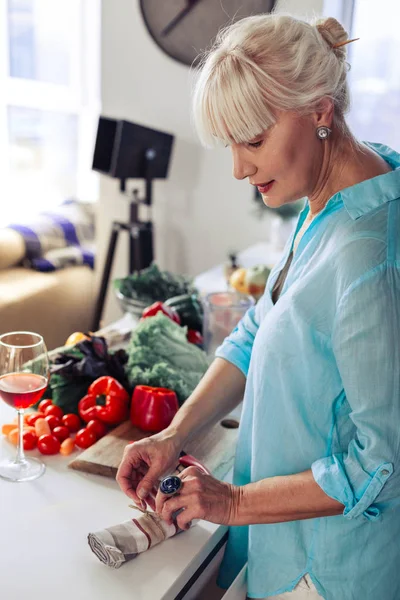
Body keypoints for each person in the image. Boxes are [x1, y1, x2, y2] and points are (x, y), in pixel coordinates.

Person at [117, 13, 400, 600]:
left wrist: (232, 501)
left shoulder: (368, 259)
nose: (239, 168)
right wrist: (175, 434)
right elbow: (257, 327)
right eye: (231, 143)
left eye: (253, 140)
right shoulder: (338, 190)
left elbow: (385, 462)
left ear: (320, 112)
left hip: (326, 572)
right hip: (285, 547)